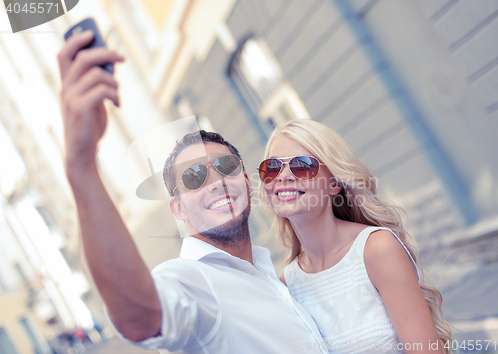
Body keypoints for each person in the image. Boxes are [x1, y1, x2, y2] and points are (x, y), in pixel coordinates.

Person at [57, 30, 327, 353]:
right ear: (178, 209)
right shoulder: (192, 281)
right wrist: (81, 165)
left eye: (226, 167)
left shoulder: (273, 274)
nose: (216, 181)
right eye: (195, 176)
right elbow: (139, 317)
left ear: (245, 181)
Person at [258, 119, 452, 353]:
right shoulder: (287, 284)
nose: (283, 176)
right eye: (272, 167)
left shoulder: (376, 249)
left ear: (334, 183)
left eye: (302, 165)